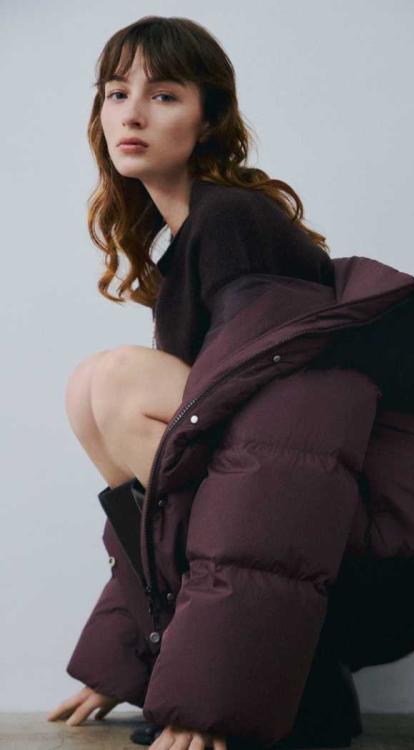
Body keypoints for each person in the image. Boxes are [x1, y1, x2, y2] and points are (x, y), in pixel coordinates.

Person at [47, 14, 341, 750]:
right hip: (260, 492)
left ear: (209, 120)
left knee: (112, 381)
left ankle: (259, 668)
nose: (132, 115)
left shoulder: (233, 219)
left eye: (164, 95)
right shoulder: (183, 241)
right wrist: (127, 666)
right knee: (88, 390)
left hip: (303, 509)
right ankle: (168, 648)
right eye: (117, 93)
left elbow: (274, 445)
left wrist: (212, 698)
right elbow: (163, 497)